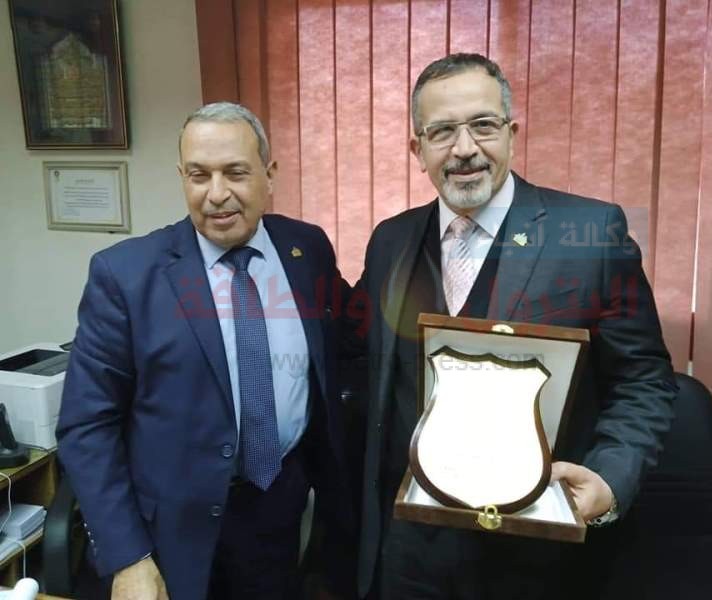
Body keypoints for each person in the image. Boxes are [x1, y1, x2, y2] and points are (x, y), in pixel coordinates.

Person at [351, 53, 677, 599]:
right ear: (417, 149)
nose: (464, 148)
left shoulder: (591, 233)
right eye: (442, 132)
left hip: (535, 550)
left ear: (511, 132)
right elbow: (360, 357)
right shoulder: (390, 240)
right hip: (410, 543)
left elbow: (643, 378)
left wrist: (609, 477)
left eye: (483, 124)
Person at [57, 102, 353, 600]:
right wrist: (128, 557)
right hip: (168, 534)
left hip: (276, 513)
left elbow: (344, 346)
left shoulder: (306, 249)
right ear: (182, 177)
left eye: (235, 172)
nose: (216, 194)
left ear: (269, 174)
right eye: (199, 175)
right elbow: (87, 426)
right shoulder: (125, 276)